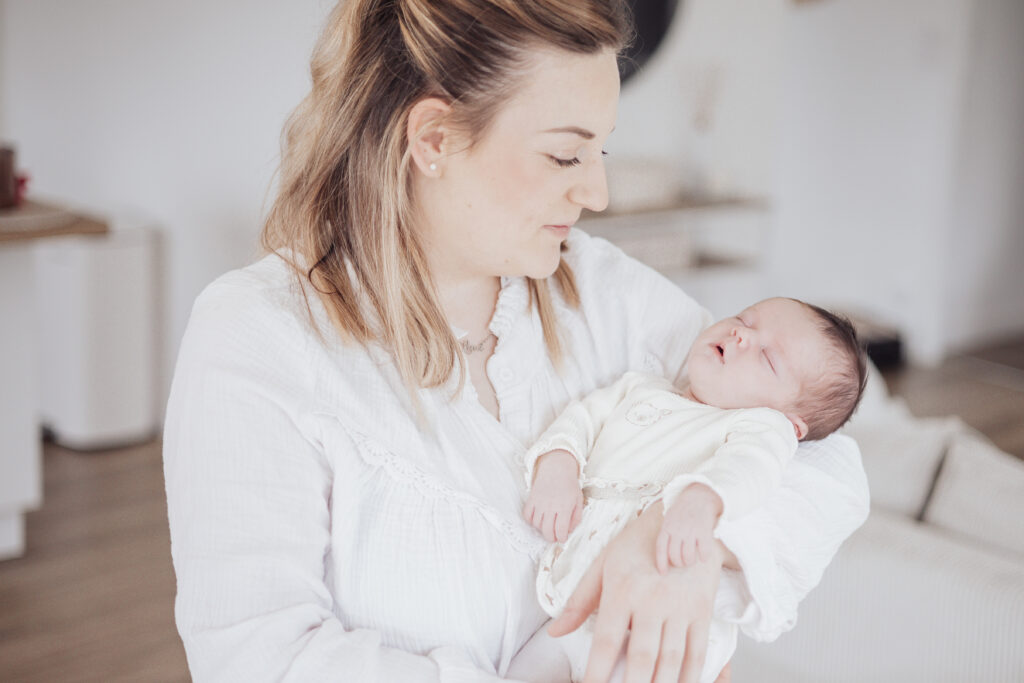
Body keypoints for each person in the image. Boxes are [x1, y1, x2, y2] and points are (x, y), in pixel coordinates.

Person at [162, 1, 870, 682]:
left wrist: (685, 545)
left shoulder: (599, 290)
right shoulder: (255, 338)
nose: (596, 192)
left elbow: (826, 458)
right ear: (433, 140)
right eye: (566, 157)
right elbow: (258, 660)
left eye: (601, 151)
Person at [521, 297, 868, 683]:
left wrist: (704, 499)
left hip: (657, 629)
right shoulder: (638, 387)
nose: (741, 334)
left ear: (790, 423)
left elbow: (751, 469)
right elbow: (580, 420)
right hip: (572, 602)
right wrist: (557, 466)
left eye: (768, 358)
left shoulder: (761, 428)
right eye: (743, 318)